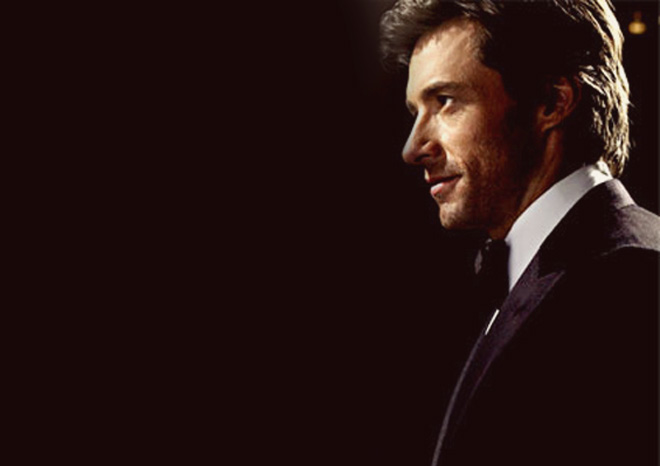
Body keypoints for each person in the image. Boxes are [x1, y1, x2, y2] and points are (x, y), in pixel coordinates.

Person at [380, 1, 659, 465]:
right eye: (416, 110)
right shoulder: (548, 274)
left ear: (552, 102)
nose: (413, 147)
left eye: (445, 101)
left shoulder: (631, 280)